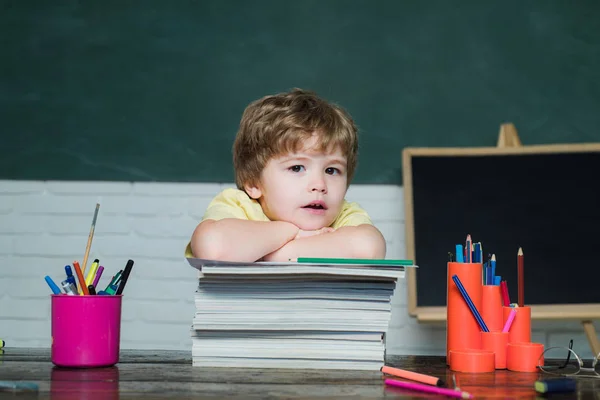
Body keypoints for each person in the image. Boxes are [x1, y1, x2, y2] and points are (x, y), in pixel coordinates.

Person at [186, 88, 386, 262]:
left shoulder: (344, 213)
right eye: (297, 168)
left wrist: (272, 254)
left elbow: (369, 249)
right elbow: (213, 247)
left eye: (331, 170)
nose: (319, 185)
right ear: (254, 183)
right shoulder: (237, 205)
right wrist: (292, 232)